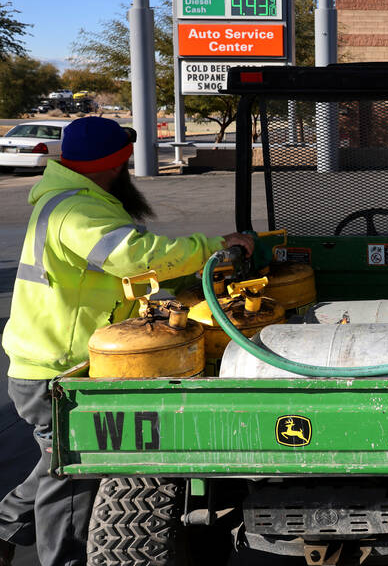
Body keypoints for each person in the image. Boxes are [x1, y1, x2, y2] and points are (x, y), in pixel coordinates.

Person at [0, 116, 253, 566]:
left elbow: (109, 274)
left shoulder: (74, 198)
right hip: (58, 368)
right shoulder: (78, 210)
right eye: (126, 160)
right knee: (76, 475)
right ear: (115, 163)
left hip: (53, 360)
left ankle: (3, 529)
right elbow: (131, 256)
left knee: (56, 459)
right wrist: (215, 247)